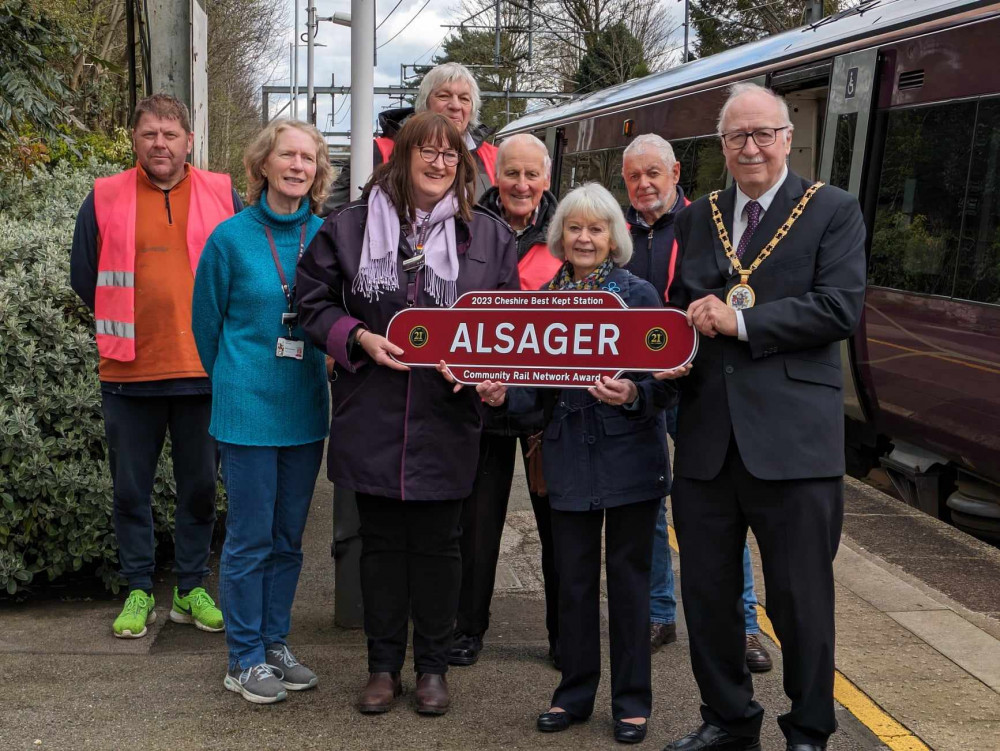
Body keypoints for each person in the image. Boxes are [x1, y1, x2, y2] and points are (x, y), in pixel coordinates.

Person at [659, 83, 866, 751]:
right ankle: (728, 719)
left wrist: (741, 320)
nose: (750, 146)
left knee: (801, 603)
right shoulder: (699, 216)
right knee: (709, 596)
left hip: (795, 444)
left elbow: (840, 308)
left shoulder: (833, 210)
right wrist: (672, 352)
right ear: (721, 147)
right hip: (706, 440)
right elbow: (683, 305)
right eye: (735, 137)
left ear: (786, 138)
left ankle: (808, 729)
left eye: (762, 134)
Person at [295, 112, 519, 716]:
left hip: (447, 419)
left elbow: (507, 326)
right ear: (403, 156)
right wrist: (357, 338)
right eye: (428, 150)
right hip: (373, 411)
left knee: (443, 546)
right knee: (382, 545)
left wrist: (488, 372)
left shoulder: (490, 237)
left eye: (452, 155)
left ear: (463, 166)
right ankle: (382, 666)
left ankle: (433, 668)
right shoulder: (349, 226)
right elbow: (310, 301)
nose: (440, 162)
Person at [490, 182, 678, 745]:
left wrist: (636, 395)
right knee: (570, 580)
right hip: (570, 459)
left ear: (613, 237)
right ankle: (573, 694)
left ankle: (631, 702)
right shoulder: (543, 301)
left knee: (629, 582)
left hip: (630, 459)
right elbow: (533, 396)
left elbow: (666, 384)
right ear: (560, 237)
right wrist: (505, 396)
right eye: (575, 228)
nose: (585, 238)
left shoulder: (639, 295)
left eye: (597, 229)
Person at [70, 93, 241, 639]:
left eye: (170, 134)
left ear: (189, 141)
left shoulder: (223, 193)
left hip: (203, 372)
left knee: (197, 490)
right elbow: (84, 277)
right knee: (129, 492)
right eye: (149, 134)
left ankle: (191, 588)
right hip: (127, 374)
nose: (160, 143)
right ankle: (139, 589)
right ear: (134, 140)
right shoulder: (103, 197)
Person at [191, 119, 332, 704]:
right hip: (247, 411)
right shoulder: (229, 239)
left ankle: (275, 642)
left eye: (309, 158)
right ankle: (243, 657)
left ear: (317, 172)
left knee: (288, 537)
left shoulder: (327, 237)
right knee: (249, 539)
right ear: (264, 165)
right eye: (288, 155)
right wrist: (236, 378)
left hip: (304, 409)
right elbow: (206, 327)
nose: (298, 166)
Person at [621, 134, 772, 673]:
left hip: (700, 385)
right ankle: (660, 613)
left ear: (675, 172)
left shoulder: (713, 224)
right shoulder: (617, 232)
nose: (644, 185)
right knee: (649, 504)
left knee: (725, 507)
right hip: (639, 386)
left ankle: (747, 627)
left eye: (653, 173)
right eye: (634, 176)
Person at [448, 133, 564, 669]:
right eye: (511, 173)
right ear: (497, 176)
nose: (521, 184)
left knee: (560, 528)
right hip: (486, 403)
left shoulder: (568, 232)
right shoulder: (467, 225)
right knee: (477, 526)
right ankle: (466, 628)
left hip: (547, 408)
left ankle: (566, 636)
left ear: (545, 179)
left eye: (531, 175)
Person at [322, 62, 498, 214]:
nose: (455, 105)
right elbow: (330, 213)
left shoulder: (494, 158)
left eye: (464, 99)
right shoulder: (378, 152)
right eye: (444, 96)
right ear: (424, 103)